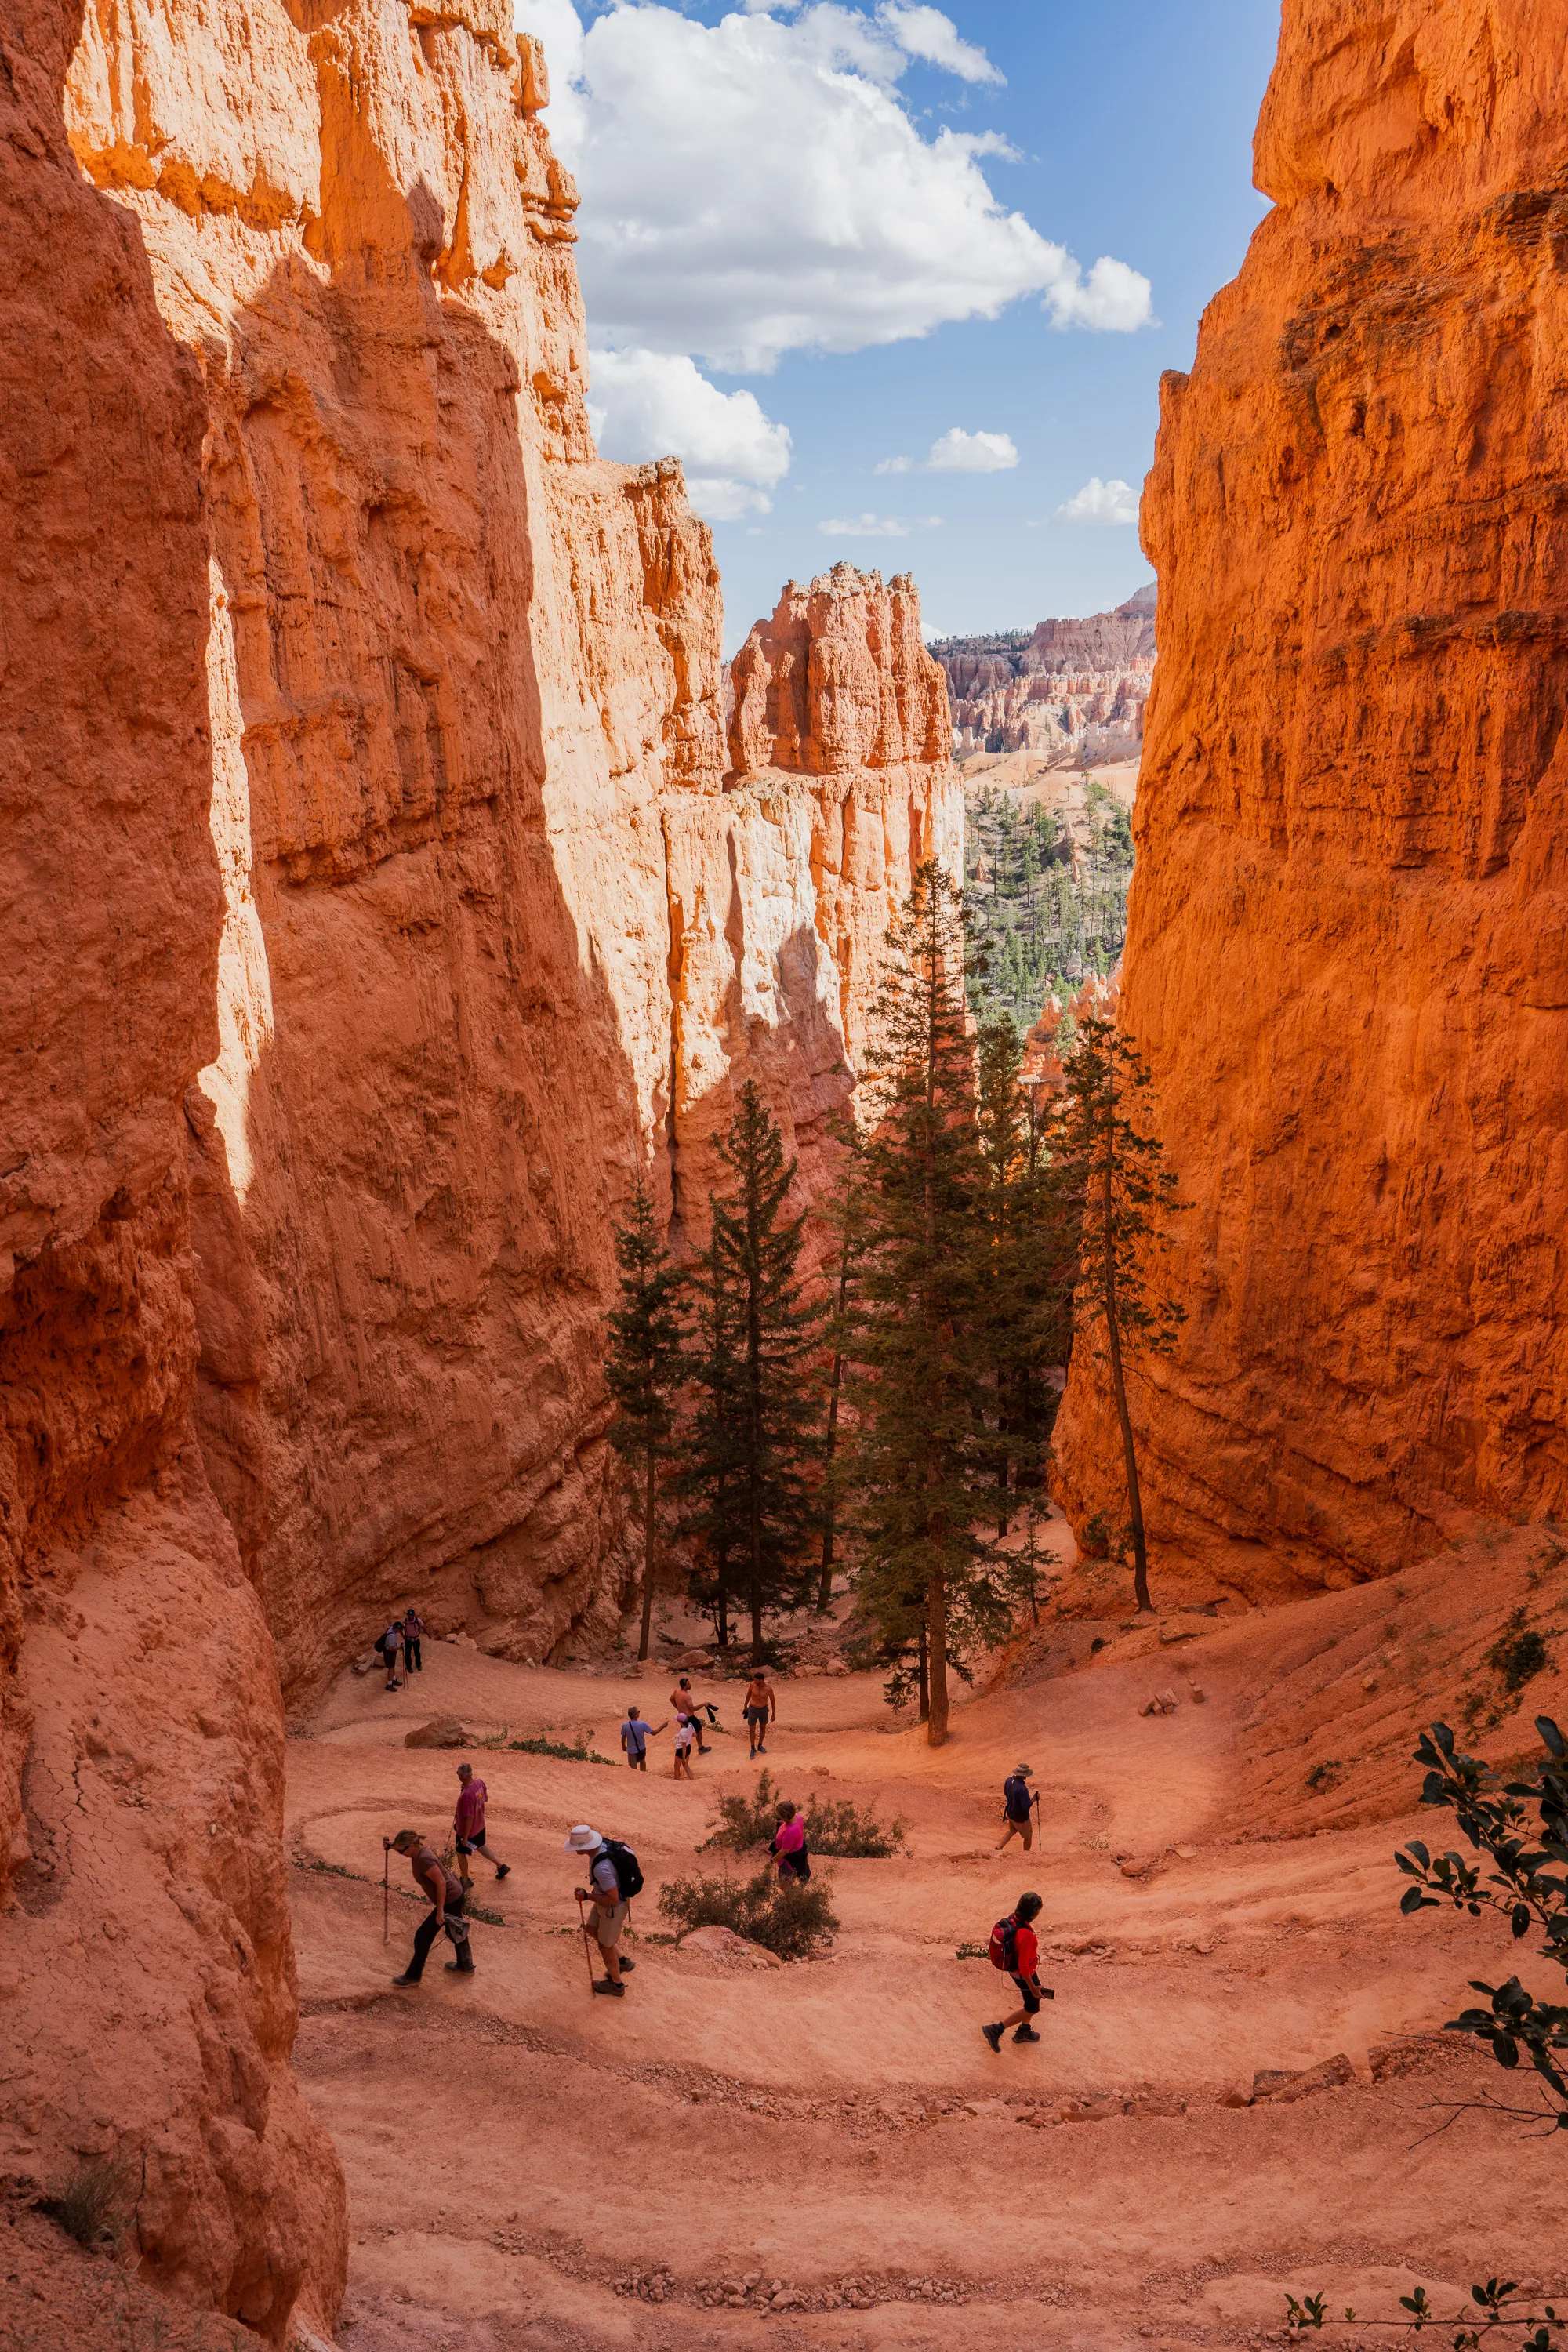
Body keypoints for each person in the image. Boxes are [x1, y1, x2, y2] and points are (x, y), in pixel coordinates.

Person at [389, 1828, 474, 1984]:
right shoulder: (417, 1851)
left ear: (412, 1846)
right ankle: (466, 1965)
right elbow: (403, 1848)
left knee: (423, 1936)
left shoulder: (424, 1860)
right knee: (454, 1930)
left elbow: (441, 1883)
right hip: (454, 1894)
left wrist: (440, 1910)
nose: (402, 1854)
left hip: (450, 1898)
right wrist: (392, 1846)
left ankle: (413, 1976)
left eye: (403, 1851)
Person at [564, 1824, 637, 1996]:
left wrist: (587, 1896)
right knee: (591, 1929)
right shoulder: (603, 1846)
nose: (574, 1850)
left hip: (613, 1907)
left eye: (576, 1847)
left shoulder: (601, 1868)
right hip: (604, 1902)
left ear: (584, 1846)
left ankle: (617, 1986)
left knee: (605, 1946)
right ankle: (622, 1961)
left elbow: (612, 1898)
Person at [981, 1892, 1052, 2051]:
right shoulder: (1026, 1935)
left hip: (1018, 1971)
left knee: (1033, 2001)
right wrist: (1032, 1987)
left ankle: (1024, 2030)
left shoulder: (1014, 1919)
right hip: (1024, 1974)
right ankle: (996, 2030)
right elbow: (1023, 1965)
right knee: (1032, 2007)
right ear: (1033, 1913)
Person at [452, 1762, 512, 1889]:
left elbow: (469, 1818)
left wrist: (465, 1838)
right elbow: (485, 1799)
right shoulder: (479, 1783)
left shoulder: (467, 1795)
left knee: (460, 1853)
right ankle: (501, 1867)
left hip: (467, 1832)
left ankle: (465, 1880)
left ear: (462, 1775)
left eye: (458, 1773)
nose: (457, 1775)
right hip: (480, 1826)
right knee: (479, 1846)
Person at [995, 1763, 1036, 1852]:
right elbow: (1026, 1806)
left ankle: (998, 1847)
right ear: (1024, 1776)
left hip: (1010, 1813)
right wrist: (1034, 1799)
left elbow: (1006, 1793)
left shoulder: (1009, 1781)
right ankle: (1026, 1855)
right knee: (1028, 1836)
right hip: (1020, 1818)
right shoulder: (1022, 1789)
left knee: (1012, 1830)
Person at [668, 1675, 713, 1754]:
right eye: (688, 1684)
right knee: (699, 1730)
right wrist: (703, 1704)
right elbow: (692, 1709)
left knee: (684, 1733)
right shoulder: (687, 1696)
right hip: (690, 1717)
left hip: (681, 1717)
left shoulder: (677, 1691)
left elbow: (671, 1699)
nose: (690, 1685)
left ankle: (681, 1750)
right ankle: (701, 1748)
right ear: (684, 1686)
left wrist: (678, 1708)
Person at [769, 1800, 808, 1880]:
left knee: (784, 1884)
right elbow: (795, 1827)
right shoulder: (797, 1817)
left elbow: (784, 1851)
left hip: (789, 1860)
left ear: (785, 1817)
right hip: (799, 1849)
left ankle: (791, 1892)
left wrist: (773, 1860)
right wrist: (784, 1823)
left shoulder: (789, 1833)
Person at [620, 1704, 666, 1770]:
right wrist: (663, 1726)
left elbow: (623, 1737)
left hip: (631, 1751)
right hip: (641, 1749)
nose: (639, 1712)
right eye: (638, 1711)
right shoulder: (642, 1724)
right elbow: (654, 1733)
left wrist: (623, 1746)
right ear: (636, 1715)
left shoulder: (625, 1725)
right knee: (643, 1765)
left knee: (633, 1769)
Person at [742, 1669, 775, 1759]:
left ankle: (760, 1745)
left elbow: (772, 1701)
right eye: (754, 1680)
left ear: (762, 1680)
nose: (755, 1682)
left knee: (763, 1727)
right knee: (752, 1728)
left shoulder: (768, 1689)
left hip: (763, 1709)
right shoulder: (752, 1684)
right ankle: (753, 1748)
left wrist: (774, 1714)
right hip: (752, 1709)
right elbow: (749, 1694)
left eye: (757, 1681)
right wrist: (745, 1705)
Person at [380, 1621, 405, 1692]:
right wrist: (400, 1647)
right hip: (389, 1653)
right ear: (397, 1629)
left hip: (390, 1652)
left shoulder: (390, 1629)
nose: (400, 1631)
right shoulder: (391, 1636)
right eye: (400, 1630)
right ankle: (389, 1685)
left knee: (393, 1666)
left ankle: (393, 1680)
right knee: (391, 1668)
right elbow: (391, 1648)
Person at [402, 1607, 424, 1676]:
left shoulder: (418, 1621)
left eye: (411, 1615)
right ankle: (409, 1666)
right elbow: (400, 1629)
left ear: (414, 1615)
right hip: (408, 1640)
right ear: (407, 1615)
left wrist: (428, 1634)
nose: (410, 1617)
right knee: (408, 1654)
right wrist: (403, 1636)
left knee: (417, 1653)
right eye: (409, 1615)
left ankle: (418, 1664)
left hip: (416, 1640)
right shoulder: (405, 1622)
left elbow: (423, 1627)